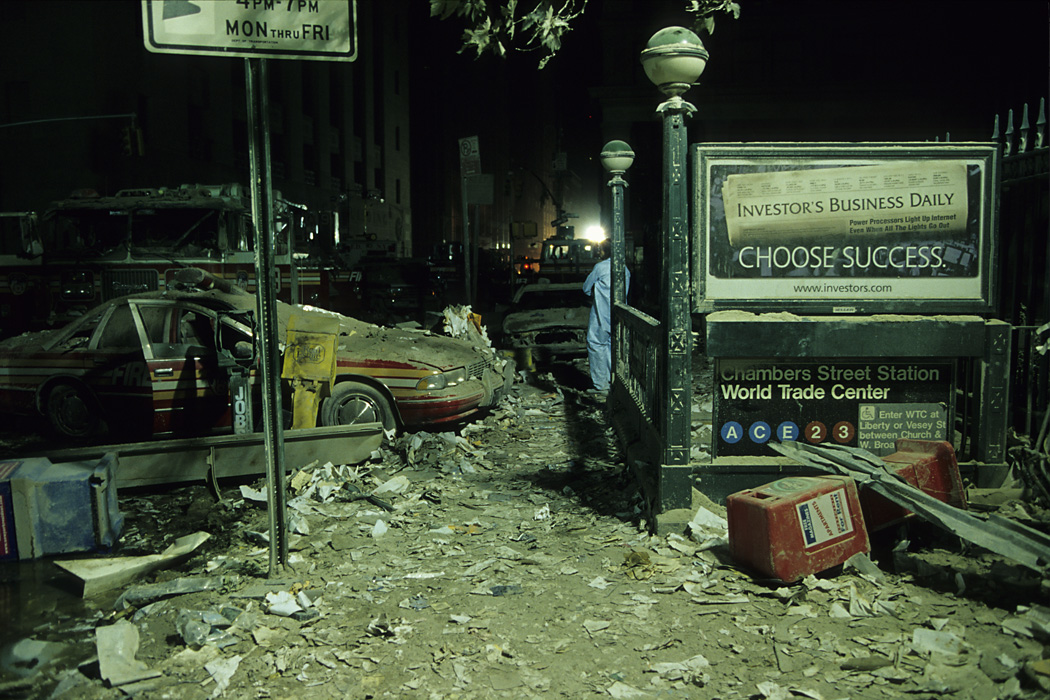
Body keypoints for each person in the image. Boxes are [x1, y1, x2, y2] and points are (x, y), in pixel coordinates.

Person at [582, 239, 629, 394]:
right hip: (618, 314)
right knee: (611, 346)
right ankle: (614, 381)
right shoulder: (624, 268)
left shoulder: (600, 267)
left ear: (605, 251)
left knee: (595, 344)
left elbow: (586, 288)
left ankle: (601, 385)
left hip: (600, 314)